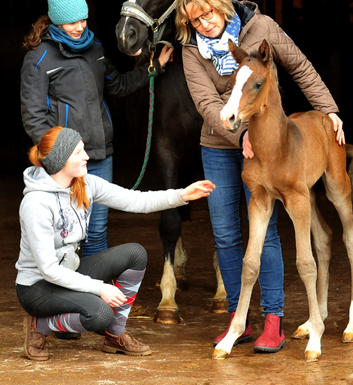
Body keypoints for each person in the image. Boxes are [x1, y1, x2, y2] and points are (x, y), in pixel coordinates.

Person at [175, 0, 345, 354]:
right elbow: (205, 102)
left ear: (221, 4)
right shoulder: (192, 51)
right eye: (195, 20)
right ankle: (240, 317)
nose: (204, 23)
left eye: (208, 13)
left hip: (270, 140)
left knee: (265, 233)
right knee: (225, 234)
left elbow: (300, 66)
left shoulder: (262, 28)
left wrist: (329, 109)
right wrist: (239, 137)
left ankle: (273, 318)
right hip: (221, 142)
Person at [16, 126, 215, 361]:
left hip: (68, 272)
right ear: (61, 160)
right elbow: (48, 269)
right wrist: (100, 288)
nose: (87, 156)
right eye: (78, 152)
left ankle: (115, 335)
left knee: (135, 253)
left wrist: (180, 195)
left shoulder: (85, 183)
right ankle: (40, 325)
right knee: (100, 314)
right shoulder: (36, 203)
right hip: (37, 287)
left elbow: (135, 200)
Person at [20, 0, 173, 259]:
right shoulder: (39, 58)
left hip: (100, 155)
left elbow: (119, 86)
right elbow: (33, 117)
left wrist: (155, 67)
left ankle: (93, 297)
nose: (79, 27)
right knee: (66, 233)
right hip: (64, 161)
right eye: (72, 21)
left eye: (83, 20)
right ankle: (68, 295)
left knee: (97, 230)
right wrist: (59, 157)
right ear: (56, 20)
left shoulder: (96, 49)